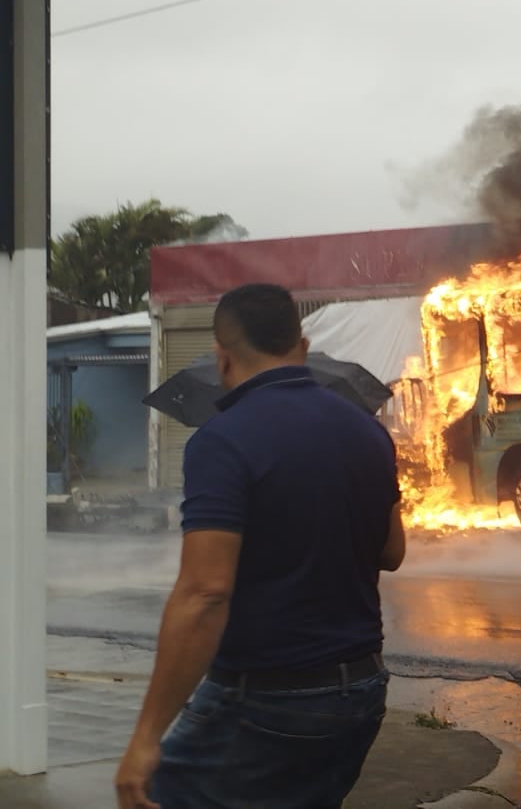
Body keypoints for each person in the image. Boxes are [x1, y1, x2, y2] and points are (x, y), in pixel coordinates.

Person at [116, 283, 407, 809]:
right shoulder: (369, 433)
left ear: (221, 356)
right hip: (360, 691)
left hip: (267, 699)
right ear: (303, 342)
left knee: (158, 794)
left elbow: (205, 592)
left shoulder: (222, 440)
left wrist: (144, 737)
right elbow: (392, 552)